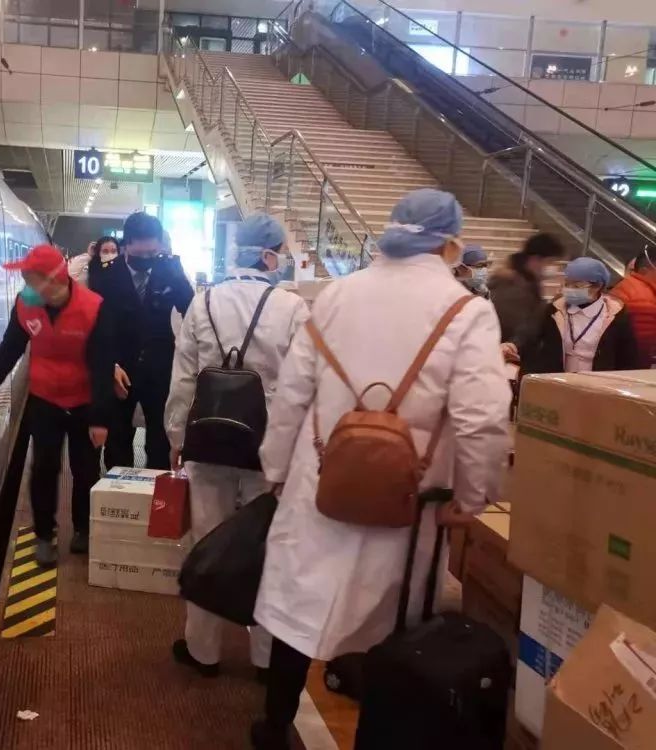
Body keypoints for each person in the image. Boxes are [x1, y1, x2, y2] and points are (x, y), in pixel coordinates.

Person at [251, 189, 512, 749]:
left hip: (320, 481)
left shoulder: (335, 295)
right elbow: (483, 419)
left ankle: (273, 728)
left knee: (299, 612)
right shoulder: (467, 311)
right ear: (450, 244)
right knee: (390, 624)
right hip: (410, 500)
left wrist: (275, 467)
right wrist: (472, 499)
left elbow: (292, 394)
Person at [164, 213, 309, 679]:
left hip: (208, 440)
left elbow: (184, 378)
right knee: (267, 547)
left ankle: (203, 650)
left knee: (208, 542)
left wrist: (176, 437)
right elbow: (304, 385)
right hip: (269, 447)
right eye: (280, 253)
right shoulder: (292, 308)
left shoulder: (203, 301)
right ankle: (265, 657)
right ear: (269, 256)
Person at [0, 245, 114, 567]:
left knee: (85, 468)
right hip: (45, 399)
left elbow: (102, 365)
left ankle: (83, 528)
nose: (25, 288)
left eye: (30, 280)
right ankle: (44, 535)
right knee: (44, 469)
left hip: (83, 401)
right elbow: (10, 348)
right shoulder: (26, 306)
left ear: (53, 280)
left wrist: (100, 419)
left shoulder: (93, 308)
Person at [104, 212, 194, 470]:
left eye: (152, 253)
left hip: (160, 366)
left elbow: (192, 312)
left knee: (160, 440)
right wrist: (108, 364)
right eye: (140, 254)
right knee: (117, 437)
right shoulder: (107, 274)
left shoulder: (171, 270)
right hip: (119, 369)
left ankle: (157, 490)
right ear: (126, 246)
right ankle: (118, 487)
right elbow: (97, 325)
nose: (147, 259)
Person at [520, 256, 640, 375]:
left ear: (598, 286)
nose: (569, 289)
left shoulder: (615, 315)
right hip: (558, 379)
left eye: (577, 286)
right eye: (567, 284)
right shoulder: (555, 309)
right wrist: (515, 346)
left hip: (598, 381)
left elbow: (628, 357)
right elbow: (530, 333)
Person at [488, 233, 565, 362]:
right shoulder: (512, 286)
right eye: (551, 262)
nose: (554, 268)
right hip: (505, 358)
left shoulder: (528, 283)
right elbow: (519, 330)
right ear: (535, 260)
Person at [611, 246, 656, 369]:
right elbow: (644, 346)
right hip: (636, 370)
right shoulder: (641, 298)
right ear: (644, 270)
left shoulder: (628, 287)